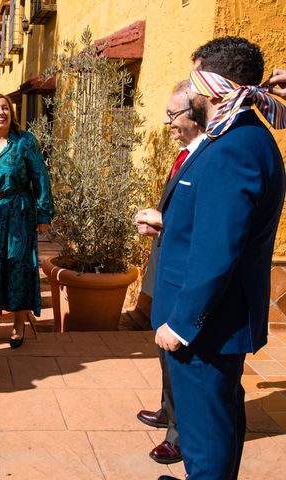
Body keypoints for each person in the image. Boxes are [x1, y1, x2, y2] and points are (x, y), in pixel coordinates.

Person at [152, 37, 286, 480]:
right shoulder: (231, 136)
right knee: (215, 422)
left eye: (196, 79)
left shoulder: (236, 147)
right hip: (209, 320)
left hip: (207, 325)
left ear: (214, 86)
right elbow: (211, 221)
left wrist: (183, 323)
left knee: (206, 435)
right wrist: (167, 221)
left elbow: (220, 250)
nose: (191, 92)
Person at [134, 80, 206, 466]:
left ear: (195, 114)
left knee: (178, 353)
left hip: (184, 272)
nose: (167, 123)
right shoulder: (185, 155)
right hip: (166, 263)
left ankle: (178, 435)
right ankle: (167, 409)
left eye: (172, 115)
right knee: (162, 351)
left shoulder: (209, 156)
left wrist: (165, 222)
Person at [0, 94, 53, 348]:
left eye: (5, 108)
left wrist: (43, 213)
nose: (1, 112)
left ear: (12, 113)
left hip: (18, 211)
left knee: (18, 265)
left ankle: (19, 322)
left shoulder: (24, 141)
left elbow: (40, 176)